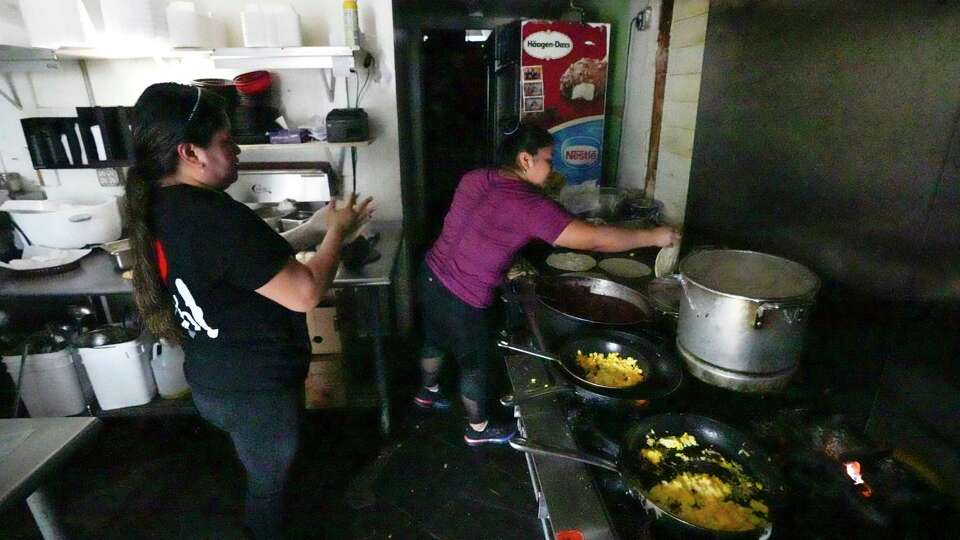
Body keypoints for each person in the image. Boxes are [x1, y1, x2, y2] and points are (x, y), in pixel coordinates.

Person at [125, 83, 372, 539]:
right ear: (190, 152)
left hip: (215, 378)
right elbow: (305, 293)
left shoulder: (166, 203)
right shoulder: (214, 218)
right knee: (270, 488)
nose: (236, 148)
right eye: (225, 140)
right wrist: (336, 233)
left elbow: (245, 263)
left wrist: (315, 228)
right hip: (256, 390)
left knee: (266, 472)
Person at [415, 123, 680, 446]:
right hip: (467, 297)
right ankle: (478, 428)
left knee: (435, 340)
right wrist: (653, 236)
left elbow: (482, 228)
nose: (552, 167)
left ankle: (427, 393)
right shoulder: (528, 204)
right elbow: (593, 240)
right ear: (526, 160)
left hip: (431, 275)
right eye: (549, 160)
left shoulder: (475, 178)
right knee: (476, 365)